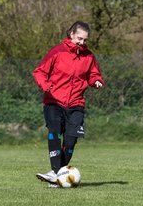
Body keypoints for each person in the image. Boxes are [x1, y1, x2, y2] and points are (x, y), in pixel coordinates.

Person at [33, 21, 104, 187]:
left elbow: (94, 74)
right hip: (54, 101)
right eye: (79, 38)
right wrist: (46, 85)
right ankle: (56, 172)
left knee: (71, 140)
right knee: (55, 132)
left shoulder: (89, 56)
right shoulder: (57, 52)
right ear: (71, 34)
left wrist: (96, 81)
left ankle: (57, 175)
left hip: (76, 103)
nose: (82, 42)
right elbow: (39, 72)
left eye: (85, 40)